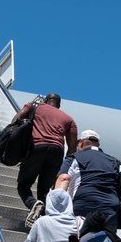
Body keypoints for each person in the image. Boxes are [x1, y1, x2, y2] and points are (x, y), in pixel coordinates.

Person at [12, 93, 78, 228]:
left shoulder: (35, 106)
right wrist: (64, 167)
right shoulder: (69, 119)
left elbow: (14, 121)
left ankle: (32, 204)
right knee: (44, 190)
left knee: (23, 184)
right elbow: (72, 147)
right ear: (59, 105)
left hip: (36, 147)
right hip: (57, 152)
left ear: (46, 100)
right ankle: (44, 221)